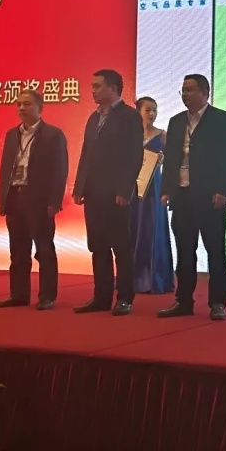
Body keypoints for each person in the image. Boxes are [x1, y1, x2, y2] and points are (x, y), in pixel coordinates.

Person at [158, 74, 226, 321]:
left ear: (205, 92)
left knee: (215, 250)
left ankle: (218, 303)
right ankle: (183, 301)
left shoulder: (222, 119)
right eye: (183, 90)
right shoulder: (176, 121)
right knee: (184, 251)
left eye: (190, 90)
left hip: (210, 196)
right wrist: (166, 189)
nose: (185, 94)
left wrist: (223, 190)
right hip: (182, 195)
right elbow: (171, 158)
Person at [73, 69, 144, 316]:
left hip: (116, 194)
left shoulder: (129, 116)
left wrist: (124, 189)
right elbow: (86, 155)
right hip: (93, 193)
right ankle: (101, 297)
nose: (92, 90)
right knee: (98, 246)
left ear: (113, 88)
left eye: (97, 86)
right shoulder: (94, 117)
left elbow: (134, 156)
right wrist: (79, 187)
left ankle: (124, 298)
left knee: (121, 247)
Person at [0, 88, 69, 311]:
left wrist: (54, 202)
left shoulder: (53, 135)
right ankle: (18, 295)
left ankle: (47, 296)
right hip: (15, 198)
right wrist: (2, 199)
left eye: (27, 104)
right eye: (18, 104)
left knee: (44, 250)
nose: (22, 108)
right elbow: (5, 169)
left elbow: (60, 171)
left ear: (40, 107)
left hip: (40, 201)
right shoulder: (12, 134)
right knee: (18, 250)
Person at [130, 97, 174, 295]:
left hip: (154, 188)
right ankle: (133, 277)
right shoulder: (131, 135)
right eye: (148, 110)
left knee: (153, 227)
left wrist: (164, 160)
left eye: (154, 110)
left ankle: (155, 277)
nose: (152, 114)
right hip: (133, 188)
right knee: (134, 227)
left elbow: (174, 162)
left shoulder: (162, 135)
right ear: (138, 111)